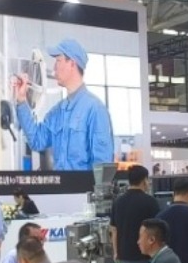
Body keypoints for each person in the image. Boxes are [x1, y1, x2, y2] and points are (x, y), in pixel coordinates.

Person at [12, 38, 113, 170]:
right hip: (61, 183)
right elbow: (37, 140)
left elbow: (103, 167)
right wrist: (21, 99)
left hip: (83, 184)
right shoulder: (58, 111)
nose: (54, 67)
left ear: (72, 64)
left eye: (58, 61)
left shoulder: (95, 109)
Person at [110, 165, 159, 263]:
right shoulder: (150, 202)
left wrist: (116, 252)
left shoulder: (118, 202)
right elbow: (157, 230)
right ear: (144, 180)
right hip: (142, 257)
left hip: (123, 257)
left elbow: (114, 230)